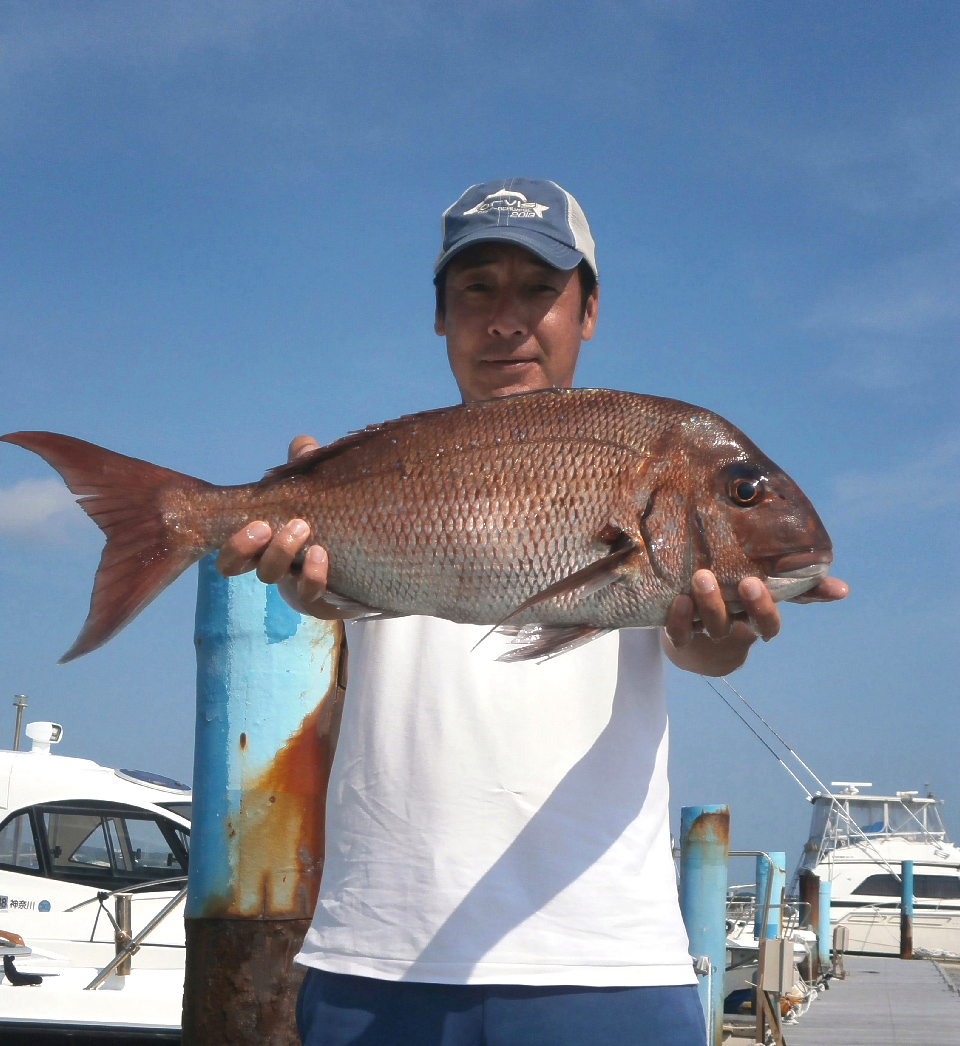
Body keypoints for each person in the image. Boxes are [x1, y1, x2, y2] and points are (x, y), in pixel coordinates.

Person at [216, 178, 848, 1046]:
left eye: (539, 290)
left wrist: (726, 638)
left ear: (587, 310)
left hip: (606, 971)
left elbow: (703, 653)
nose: (507, 320)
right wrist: (311, 580)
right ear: (439, 315)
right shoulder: (374, 462)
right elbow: (330, 598)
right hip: (379, 963)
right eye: (477, 289)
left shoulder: (645, 449)